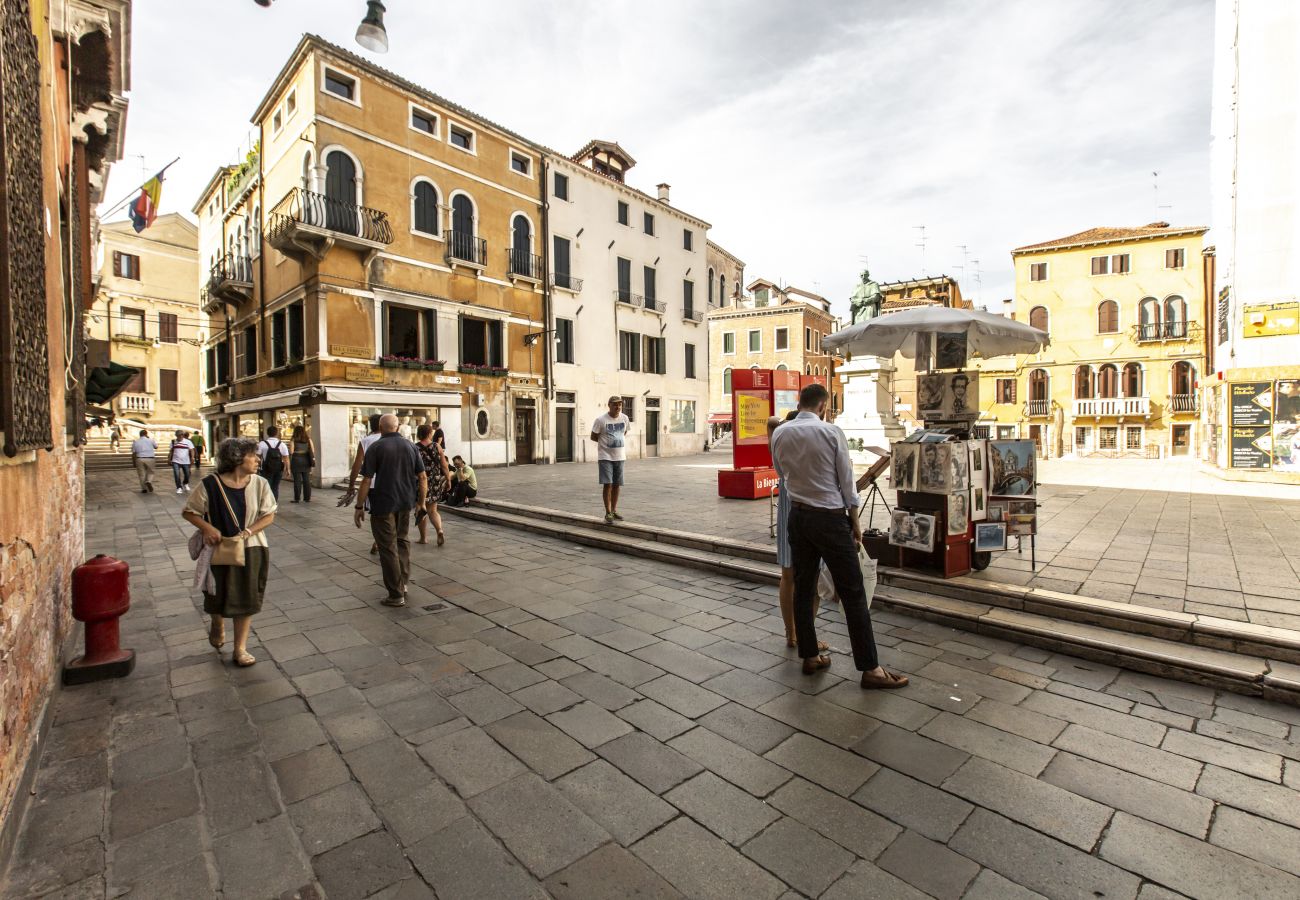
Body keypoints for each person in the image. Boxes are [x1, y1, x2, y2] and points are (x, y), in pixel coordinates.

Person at [770, 382, 907, 690]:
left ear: (801, 403)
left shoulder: (781, 433)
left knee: (804, 588)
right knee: (853, 591)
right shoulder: (831, 433)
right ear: (824, 406)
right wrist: (856, 523)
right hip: (830, 519)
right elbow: (847, 483)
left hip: (798, 517)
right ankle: (870, 668)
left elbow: (781, 471)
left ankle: (810, 656)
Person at [182, 437, 277, 667]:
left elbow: (269, 515)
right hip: (219, 549)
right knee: (217, 593)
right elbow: (189, 511)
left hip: (252, 548)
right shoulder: (210, 485)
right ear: (236, 457)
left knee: (247, 597)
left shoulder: (260, 483)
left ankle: (240, 649)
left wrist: (247, 532)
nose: (257, 459)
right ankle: (217, 620)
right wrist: (207, 527)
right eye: (252, 455)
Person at [354, 414, 426, 607]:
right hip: (406, 501)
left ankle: (395, 594)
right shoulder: (411, 446)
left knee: (387, 547)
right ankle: (403, 583)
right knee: (402, 540)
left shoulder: (376, 447)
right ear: (397, 427)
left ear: (380, 427)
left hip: (383, 502)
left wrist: (359, 506)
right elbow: (422, 476)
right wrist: (421, 502)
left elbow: (367, 480)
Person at [769, 413, 825, 651]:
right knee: (811, 579)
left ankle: (791, 634)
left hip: (787, 513)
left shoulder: (782, 447)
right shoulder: (814, 448)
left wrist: (781, 423)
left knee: (788, 574)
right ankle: (806, 635)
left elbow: (771, 422)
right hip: (810, 513)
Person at [591, 396, 630, 523]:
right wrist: (606, 443)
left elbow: (624, 433)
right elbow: (593, 436)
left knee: (617, 484)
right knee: (607, 484)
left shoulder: (624, 418)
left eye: (619, 405)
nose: (617, 407)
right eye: (615, 405)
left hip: (620, 456)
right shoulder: (601, 420)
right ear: (609, 405)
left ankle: (614, 510)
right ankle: (608, 512)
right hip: (605, 456)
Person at [415, 423, 450, 546]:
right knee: (433, 510)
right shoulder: (437, 447)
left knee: (421, 508)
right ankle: (439, 530)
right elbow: (444, 465)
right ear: (430, 433)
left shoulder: (415, 448)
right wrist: (448, 480)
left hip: (420, 481)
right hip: (435, 481)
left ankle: (423, 538)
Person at [257, 426, 290, 501]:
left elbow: (257, 457)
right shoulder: (282, 444)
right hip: (278, 469)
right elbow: (286, 458)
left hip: (266, 469)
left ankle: (267, 504)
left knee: (266, 487)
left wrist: (258, 467)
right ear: (277, 433)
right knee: (275, 487)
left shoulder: (262, 444)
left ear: (267, 433)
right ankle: (274, 504)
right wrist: (288, 469)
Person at [289, 425, 315, 503]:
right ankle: (307, 498)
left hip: (296, 460)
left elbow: (291, 451)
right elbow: (312, 451)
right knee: (306, 480)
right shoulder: (308, 439)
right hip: (306, 460)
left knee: (297, 480)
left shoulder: (293, 439)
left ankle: (297, 498)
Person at [131, 428, 157, 493]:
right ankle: (148, 481)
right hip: (150, 458)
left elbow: (134, 453)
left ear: (140, 435)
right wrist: (149, 438)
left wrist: (133, 462)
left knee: (141, 474)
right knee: (151, 472)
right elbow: (156, 447)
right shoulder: (151, 440)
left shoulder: (136, 442)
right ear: (146, 434)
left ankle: (144, 489)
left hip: (139, 458)